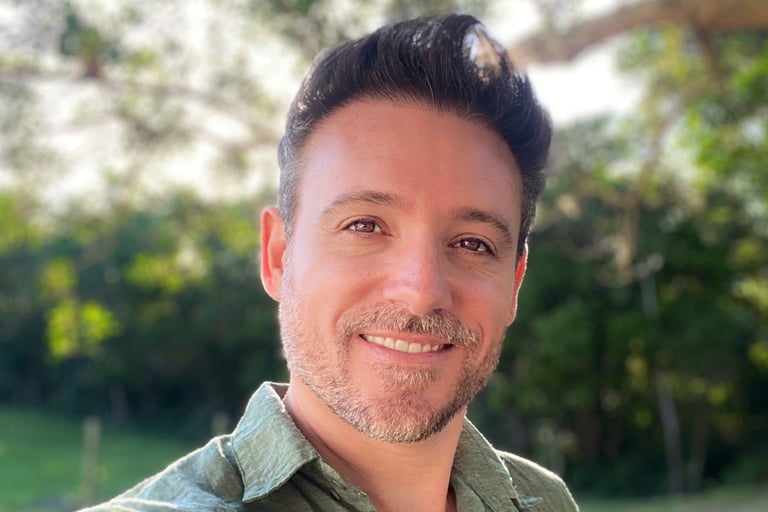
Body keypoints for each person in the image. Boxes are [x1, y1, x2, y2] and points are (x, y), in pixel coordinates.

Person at [82, 13, 579, 512]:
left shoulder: (545, 501)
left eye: (473, 243)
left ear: (515, 284)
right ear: (278, 256)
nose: (421, 290)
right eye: (365, 225)